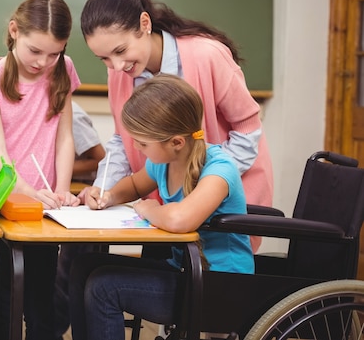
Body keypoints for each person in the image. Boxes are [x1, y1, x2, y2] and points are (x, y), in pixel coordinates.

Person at [78, 0, 273, 252]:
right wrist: (103, 189)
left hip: (219, 208)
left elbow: (247, 129)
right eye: (105, 59)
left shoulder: (207, 55)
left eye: (121, 51)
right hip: (166, 208)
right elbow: (122, 140)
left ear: (145, 23)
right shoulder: (119, 73)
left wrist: (202, 187)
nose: (117, 66)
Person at [69, 74, 254, 340]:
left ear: (177, 142)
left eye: (143, 144)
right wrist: (108, 195)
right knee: (83, 267)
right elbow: (133, 185)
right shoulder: (164, 161)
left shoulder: (219, 169)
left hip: (219, 283)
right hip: (184, 270)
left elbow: (180, 220)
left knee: (104, 287)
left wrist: (147, 209)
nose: (136, 148)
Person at [0, 0, 81, 340]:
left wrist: (62, 190)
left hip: (43, 212)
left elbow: (65, 138)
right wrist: (29, 191)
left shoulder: (63, 70)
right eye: (35, 51)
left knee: (41, 306)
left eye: (54, 53)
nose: (43, 62)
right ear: (14, 30)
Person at [53, 101, 106, 340]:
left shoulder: (70, 115)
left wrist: (59, 169)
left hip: (83, 200)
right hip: (61, 197)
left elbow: (99, 158)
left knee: (70, 271)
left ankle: (55, 329)